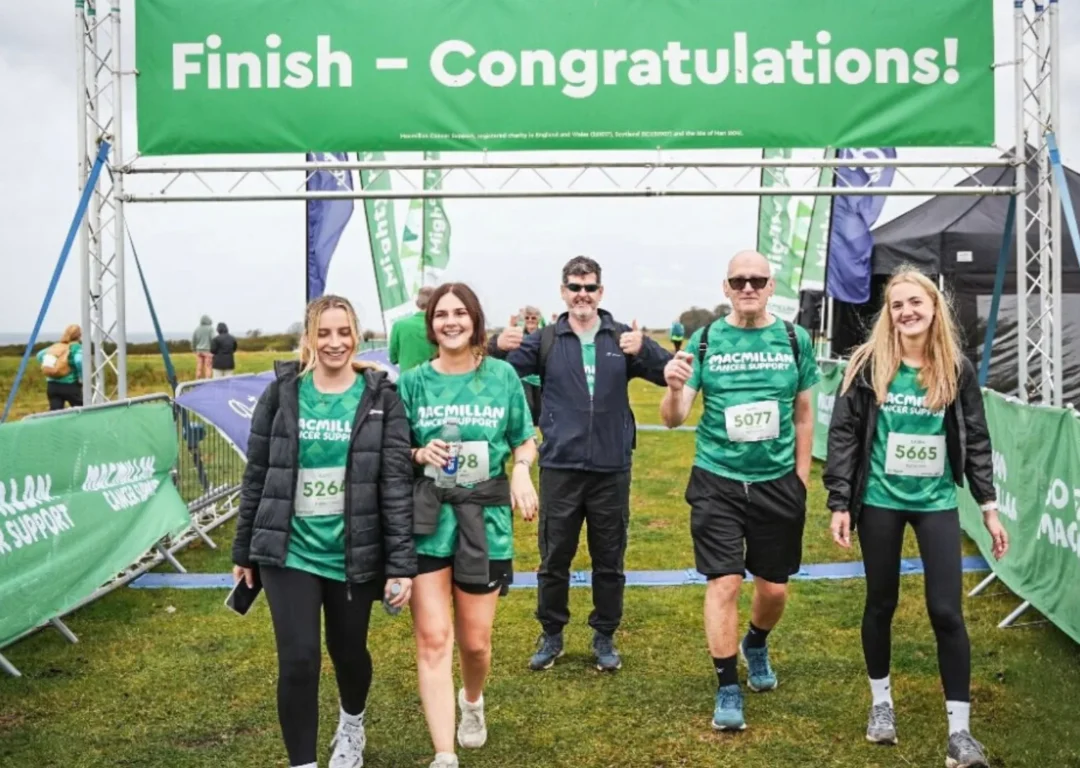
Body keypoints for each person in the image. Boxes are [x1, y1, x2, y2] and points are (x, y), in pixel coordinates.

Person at [823, 268, 1008, 768]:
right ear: (889, 313)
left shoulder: (956, 368)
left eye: (915, 303)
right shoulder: (867, 364)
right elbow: (843, 436)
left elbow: (976, 438)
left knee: (947, 612)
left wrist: (989, 509)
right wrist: (840, 502)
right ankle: (881, 704)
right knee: (880, 602)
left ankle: (960, 734)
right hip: (881, 501)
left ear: (933, 307)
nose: (906, 312)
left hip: (936, 504)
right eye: (897, 305)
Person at [231, 294, 416, 768]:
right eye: (324, 333)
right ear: (308, 338)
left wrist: (401, 566)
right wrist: (244, 549)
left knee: (348, 650)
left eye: (344, 332)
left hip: (353, 552)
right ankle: (303, 763)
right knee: (298, 659)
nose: (334, 343)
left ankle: (351, 725)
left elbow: (395, 484)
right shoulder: (282, 394)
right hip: (290, 551)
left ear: (356, 335)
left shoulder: (382, 399)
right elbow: (258, 474)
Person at [660, 250, 819, 731]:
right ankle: (728, 686)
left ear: (772, 286)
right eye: (738, 280)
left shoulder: (795, 339)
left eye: (757, 280)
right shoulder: (705, 341)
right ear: (726, 288)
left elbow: (805, 414)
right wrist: (671, 387)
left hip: (777, 484)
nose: (747, 287)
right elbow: (674, 419)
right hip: (717, 480)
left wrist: (801, 480)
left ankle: (756, 642)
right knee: (724, 583)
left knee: (773, 589)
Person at [489, 255, 672, 672]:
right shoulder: (548, 340)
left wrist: (647, 349)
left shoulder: (621, 336)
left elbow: (667, 375)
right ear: (563, 292)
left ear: (601, 292)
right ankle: (551, 633)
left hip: (611, 468)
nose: (582, 295)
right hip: (560, 467)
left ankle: (604, 634)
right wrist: (495, 344)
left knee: (610, 557)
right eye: (575, 287)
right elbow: (493, 370)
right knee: (555, 557)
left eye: (590, 287)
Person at [398, 282, 539, 768]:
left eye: (460, 313)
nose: (451, 321)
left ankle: (472, 701)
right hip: (428, 522)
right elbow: (391, 448)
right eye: (441, 315)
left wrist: (521, 469)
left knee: (475, 642)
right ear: (431, 324)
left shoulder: (501, 376)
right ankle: (444, 754)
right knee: (435, 639)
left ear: (475, 320)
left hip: (486, 522)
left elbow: (525, 439)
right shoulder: (413, 382)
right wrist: (418, 452)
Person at [390, 285, 438, 371]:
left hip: (408, 382)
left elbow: (393, 358)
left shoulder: (399, 325)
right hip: (436, 379)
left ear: (417, 304)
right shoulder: (441, 325)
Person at [37, 324, 84, 410]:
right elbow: (78, 360)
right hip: (70, 385)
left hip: (52, 385)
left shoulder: (56, 346)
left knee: (55, 413)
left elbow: (39, 355)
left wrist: (53, 367)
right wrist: (81, 377)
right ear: (79, 336)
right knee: (82, 411)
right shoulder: (76, 348)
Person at [518, 305, 544, 426]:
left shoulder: (543, 335)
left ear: (538, 320)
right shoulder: (519, 336)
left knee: (540, 409)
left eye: (533, 318)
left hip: (539, 379)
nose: (530, 320)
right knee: (529, 405)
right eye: (527, 318)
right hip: (524, 378)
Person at [192, 315, 214, 379]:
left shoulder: (197, 329)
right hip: (208, 351)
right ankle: (208, 382)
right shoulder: (211, 328)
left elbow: (194, 340)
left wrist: (194, 349)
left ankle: (197, 380)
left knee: (199, 367)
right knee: (208, 367)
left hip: (198, 351)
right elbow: (213, 340)